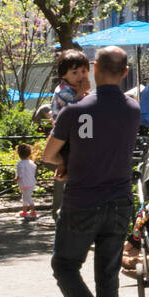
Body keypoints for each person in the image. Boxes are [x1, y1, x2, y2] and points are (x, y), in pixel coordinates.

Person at [41, 45, 141, 297]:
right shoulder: (132, 109)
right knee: (108, 275)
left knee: (65, 265)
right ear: (125, 73)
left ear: (94, 68)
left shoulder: (74, 112)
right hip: (119, 202)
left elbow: (47, 155)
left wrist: (67, 162)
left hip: (82, 200)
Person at [49, 49, 92, 222]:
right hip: (65, 138)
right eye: (74, 72)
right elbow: (70, 112)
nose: (80, 76)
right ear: (64, 75)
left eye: (83, 71)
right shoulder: (64, 92)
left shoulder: (74, 89)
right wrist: (82, 94)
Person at [16, 143, 38, 220]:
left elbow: (21, 174)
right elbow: (34, 170)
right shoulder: (32, 163)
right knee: (25, 197)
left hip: (24, 183)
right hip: (31, 182)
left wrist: (16, 178)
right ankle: (24, 211)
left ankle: (33, 211)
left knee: (28, 197)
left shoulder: (20, 164)